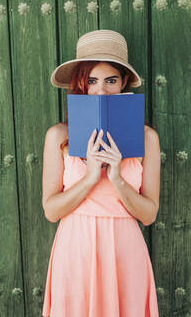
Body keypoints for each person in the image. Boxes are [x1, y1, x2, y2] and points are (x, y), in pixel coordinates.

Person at [42, 29, 161, 317]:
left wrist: (118, 178)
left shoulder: (147, 138)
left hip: (125, 251)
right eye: (92, 80)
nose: (100, 90)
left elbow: (149, 215)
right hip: (75, 250)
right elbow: (51, 210)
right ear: (80, 84)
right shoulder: (58, 135)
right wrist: (90, 177)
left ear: (123, 85)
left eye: (111, 80)